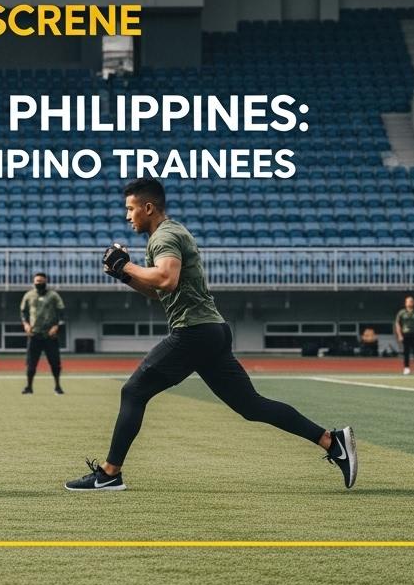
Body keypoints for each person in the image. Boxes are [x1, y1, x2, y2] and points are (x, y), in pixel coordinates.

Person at [65, 177, 357, 492]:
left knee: (133, 392)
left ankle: (109, 474)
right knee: (251, 406)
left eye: (130, 209)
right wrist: (124, 274)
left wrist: (127, 264)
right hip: (210, 332)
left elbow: (166, 279)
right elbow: (158, 291)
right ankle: (332, 441)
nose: (127, 216)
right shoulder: (166, 236)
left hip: (194, 332)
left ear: (148, 208)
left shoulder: (164, 236)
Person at [20, 272, 66, 395]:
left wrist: (56, 326)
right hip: (34, 335)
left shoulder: (53, 295)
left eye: (41, 281)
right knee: (31, 363)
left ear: (46, 281)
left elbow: (61, 312)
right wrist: (26, 324)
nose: (39, 283)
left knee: (55, 363)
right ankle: (29, 387)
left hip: (50, 336)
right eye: (37, 281)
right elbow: (23, 312)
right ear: (34, 282)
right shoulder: (29, 295)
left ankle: (57, 386)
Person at [394, 296, 414, 374]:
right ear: (405, 303)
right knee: (406, 352)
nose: (410, 302)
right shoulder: (401, 313)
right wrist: (399, 335)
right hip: (405, 334)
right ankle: (406, 368)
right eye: (408, 301)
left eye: (411, 301)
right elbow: (397, 324)